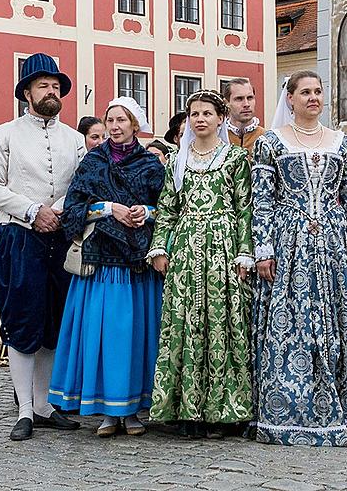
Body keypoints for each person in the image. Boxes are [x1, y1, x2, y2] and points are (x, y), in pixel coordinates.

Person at [252, 70, 347, 446]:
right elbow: (263, 200)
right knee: (294, 320)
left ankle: (346, 411)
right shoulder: (271, 143)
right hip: (290, 241)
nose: (313, 98)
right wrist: (263, 247)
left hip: (335, 241)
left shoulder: (343, 143)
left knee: (338, 318)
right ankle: (291, 409)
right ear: (289, 98)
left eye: (318, 91)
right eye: (305, 92)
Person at [0, 53, 85, 441]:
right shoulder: (5, 134)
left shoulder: (74, 139)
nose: (51, 91)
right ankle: (24, 408)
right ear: (26, 92)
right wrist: (31, 210)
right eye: (43, 85)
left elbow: (80, 185)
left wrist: (54, 211)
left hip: (59, 238)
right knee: (23, 321)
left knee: (53, 323)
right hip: (18, 237)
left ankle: (44, 405)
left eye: (56, 86)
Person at [50, 97, 164, 438]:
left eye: (121, 120)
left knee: (134, 337)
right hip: (100, 261)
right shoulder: (92, 163)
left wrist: (146, 212)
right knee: (102, 337)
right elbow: (73, 208)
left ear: (134, 124)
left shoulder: (151, 165)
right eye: (110, 120)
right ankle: (106, 412)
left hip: (136, 263)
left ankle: (132, 411)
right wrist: (108, 208)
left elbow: (169, 207)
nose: (114, 126)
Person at [148, 90, 253, 438]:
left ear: (221, 118)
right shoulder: (178, 159)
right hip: (187, 249)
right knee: (185, 325)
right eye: (194, 114)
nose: (201, 119)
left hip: (223, 247)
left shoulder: (235, 159)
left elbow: (244, 210)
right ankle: (186, 409)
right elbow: (167, 208)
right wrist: (160, 247)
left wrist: (244, 252)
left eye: (207, 113)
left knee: (222, 325)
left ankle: (223, 410)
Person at [223, 78, 265, 156]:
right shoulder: (218, 138)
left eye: (250, 98)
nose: (246, 104)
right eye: (239, 99)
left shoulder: (265, 137)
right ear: (227, 103)